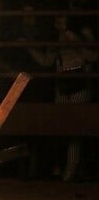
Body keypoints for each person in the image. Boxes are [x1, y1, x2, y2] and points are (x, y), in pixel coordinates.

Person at [28, 12, 98, 181]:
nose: (57, 22)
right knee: (61, 126)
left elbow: (92, 57)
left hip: (77, 83)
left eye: (61, 19)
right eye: (56, 19)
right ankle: (62, 168)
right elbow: (47, 61)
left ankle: (70, 171)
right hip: (62, 84)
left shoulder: (74, 36)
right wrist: (30, 48)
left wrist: (74, 42)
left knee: (75, 130)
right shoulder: (56, 38)